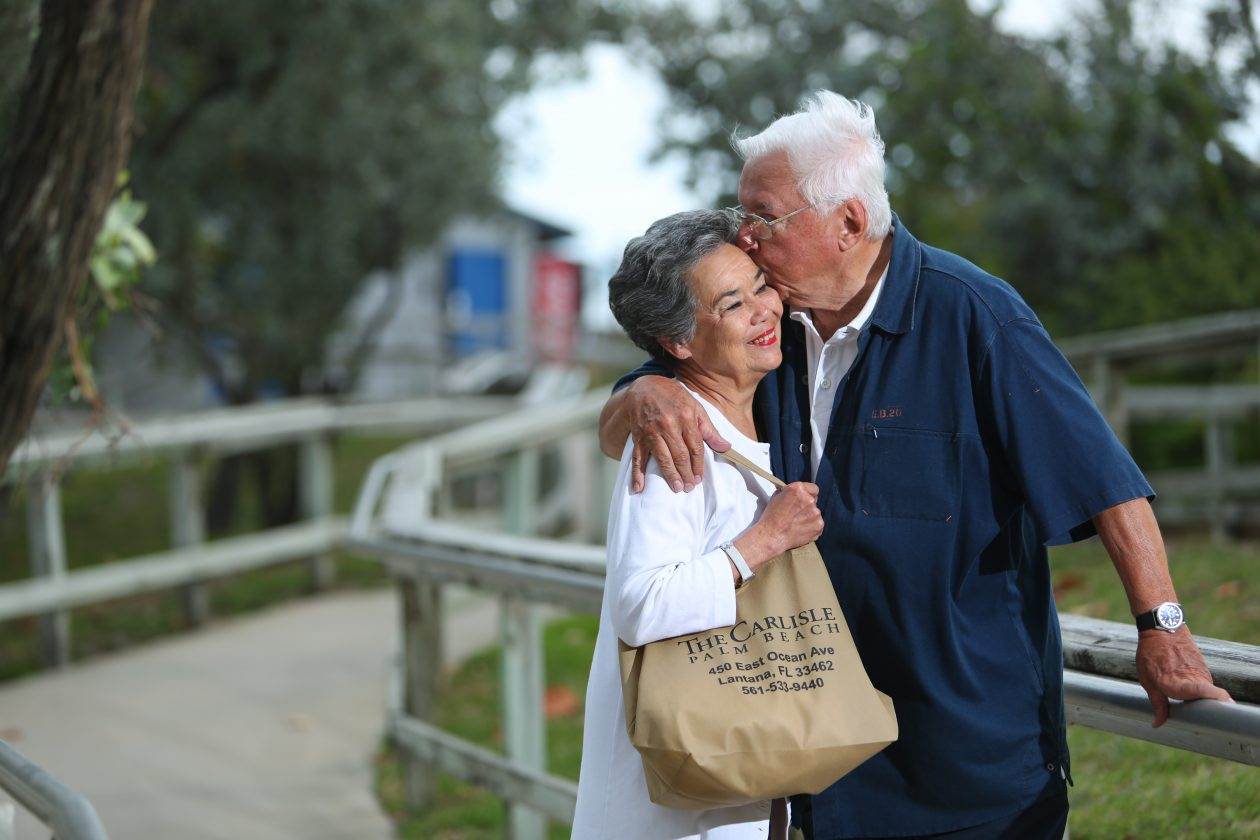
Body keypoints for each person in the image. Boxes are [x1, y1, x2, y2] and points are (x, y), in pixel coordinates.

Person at [598, 92, 1233, 840]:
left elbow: (1105, 482)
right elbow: (652, 402)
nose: (746, 238)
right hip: (818, 759)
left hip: (969, 768)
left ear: (849, 223)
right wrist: (643, 390)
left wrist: (1163, 630)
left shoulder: (976, 316)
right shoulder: (767, 330)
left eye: (763, 218)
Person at [572, 210, 825, 839]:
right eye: (732, 303)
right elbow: (641, 604)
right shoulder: (672, 440)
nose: (765, 311)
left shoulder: (764, 415)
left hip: (736, 756)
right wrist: (763, 541)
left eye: (762, 286)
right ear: (679, 342)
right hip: (672, 792)